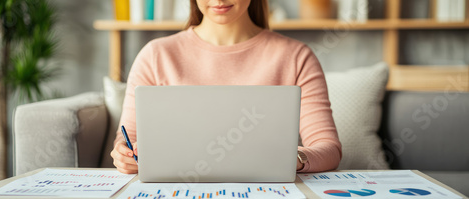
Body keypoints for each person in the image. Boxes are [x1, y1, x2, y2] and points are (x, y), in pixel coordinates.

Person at [110, 0, 342, 174]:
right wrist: (125, 154)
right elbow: (127, 138)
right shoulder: (155, 55)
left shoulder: (296, 57)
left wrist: (296, 158)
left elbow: (329, 148)